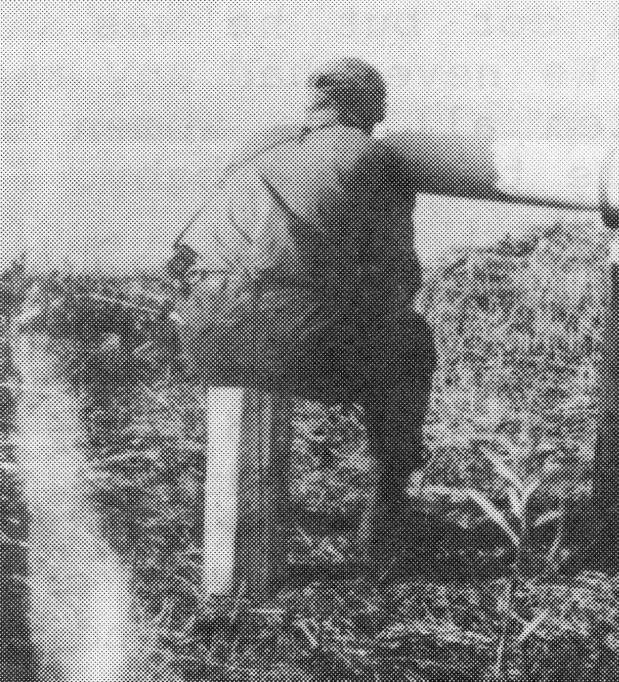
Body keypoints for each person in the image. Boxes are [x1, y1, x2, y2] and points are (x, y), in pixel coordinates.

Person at [172, 58, 436, 563]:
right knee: (411, 344)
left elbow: (189, 248)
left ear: (317, 102)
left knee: (297, 319)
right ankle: (386, 517)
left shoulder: (260, 146)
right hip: (278, 343)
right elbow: (396, 272)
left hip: (203, 334)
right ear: (372, 111)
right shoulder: (375, 156)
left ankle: (236, 520)